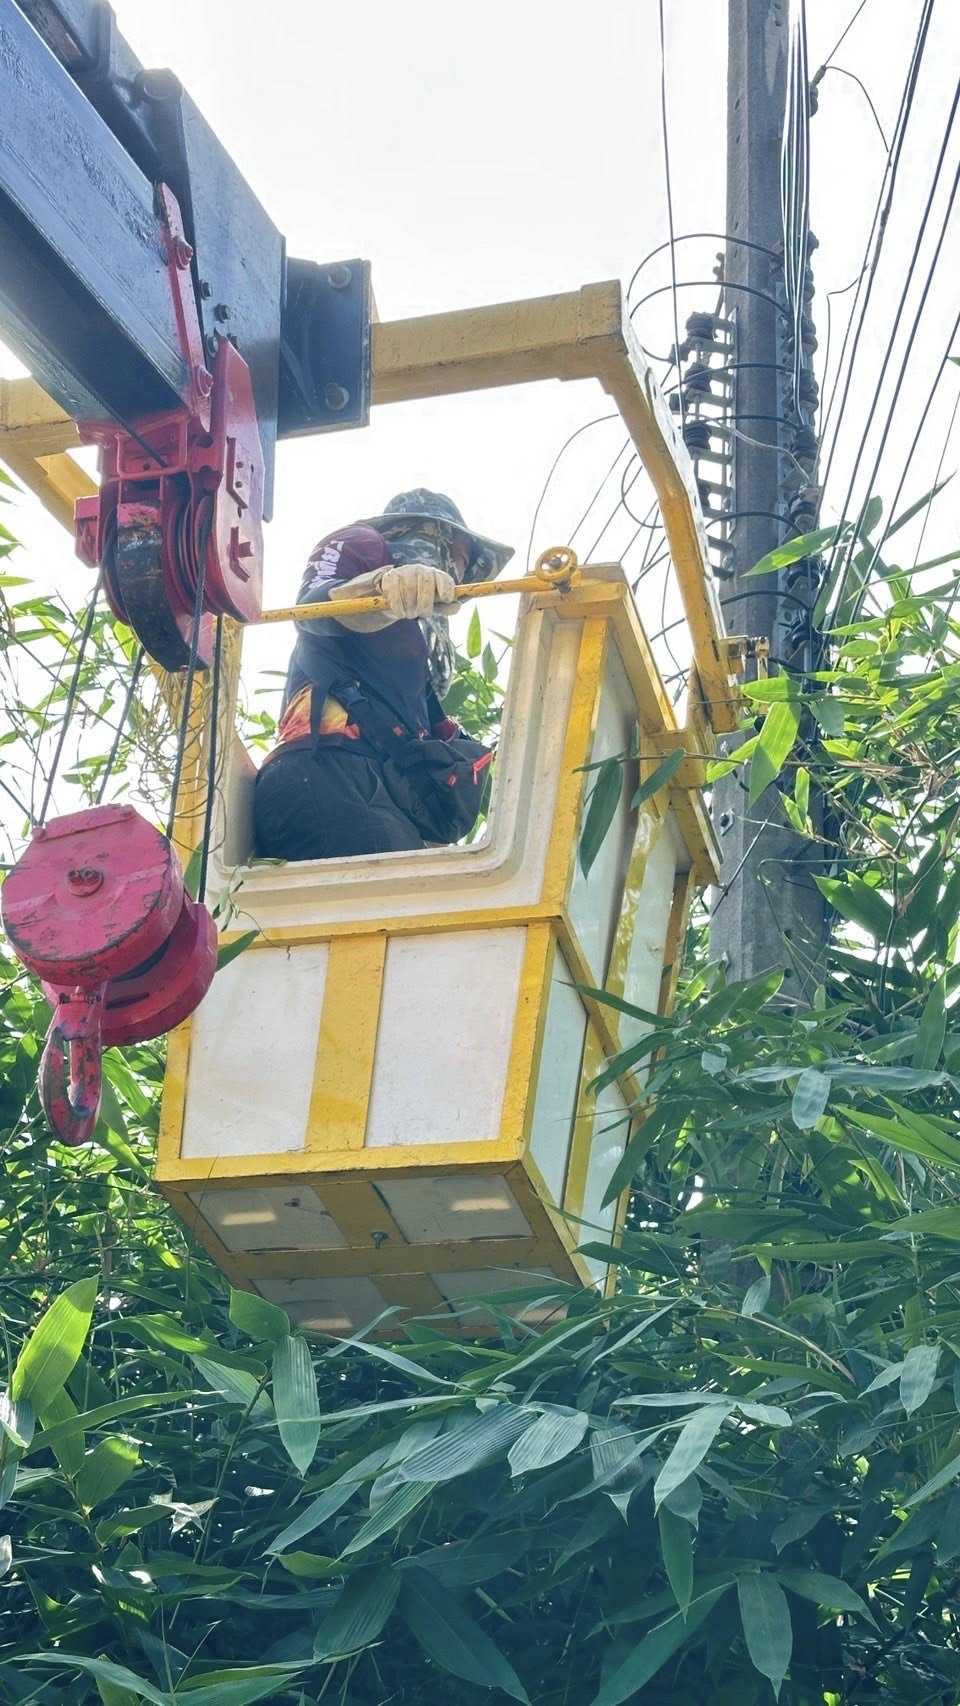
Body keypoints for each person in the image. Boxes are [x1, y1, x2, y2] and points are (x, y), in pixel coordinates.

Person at [253, 489, 514, 861]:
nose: (457, 573)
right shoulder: (361, 543)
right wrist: (378, 589)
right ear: (434, 537)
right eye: (458, 557)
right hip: (330, 770)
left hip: (377, 790)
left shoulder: (411, 662)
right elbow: (312, 609)